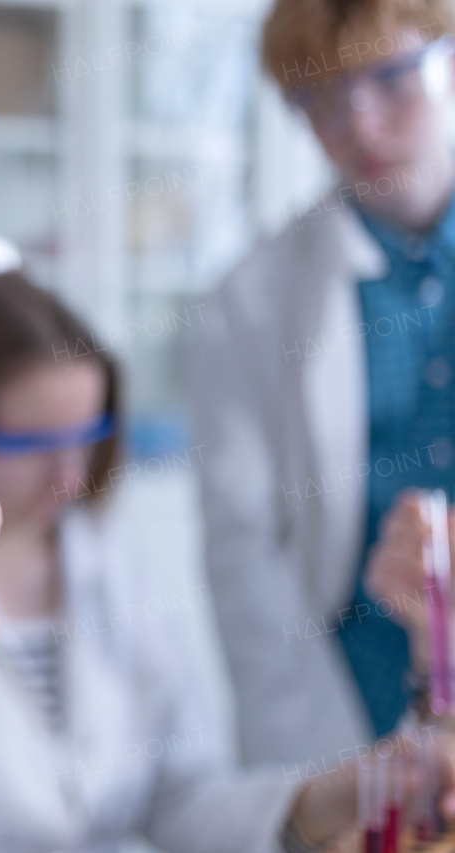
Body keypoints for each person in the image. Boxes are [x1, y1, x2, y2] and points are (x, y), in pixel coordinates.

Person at [0, 272, 455, 853]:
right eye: (34, 444)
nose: (70, 478)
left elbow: (183, 802)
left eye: (86, 435)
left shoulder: (114, 564)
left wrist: (337, 794)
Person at [194, 0, 455, 767]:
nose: (361, 127)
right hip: (343, 692)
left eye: (391, 80)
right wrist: (301, 752)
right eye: (323, 100)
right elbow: (244, 549)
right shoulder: (254, 300)